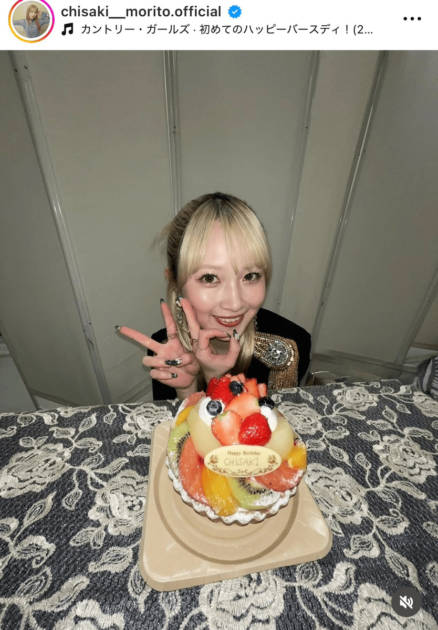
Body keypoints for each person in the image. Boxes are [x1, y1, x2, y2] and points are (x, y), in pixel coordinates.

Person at [118, 193, 311, 400]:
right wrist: (187, 390)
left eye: (250, 276)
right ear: (175, 282)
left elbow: (276, 420)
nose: (235, 303)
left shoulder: (291, 346)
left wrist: (214, 380)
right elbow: (184, 423)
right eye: (209, 278)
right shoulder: (165, 350)